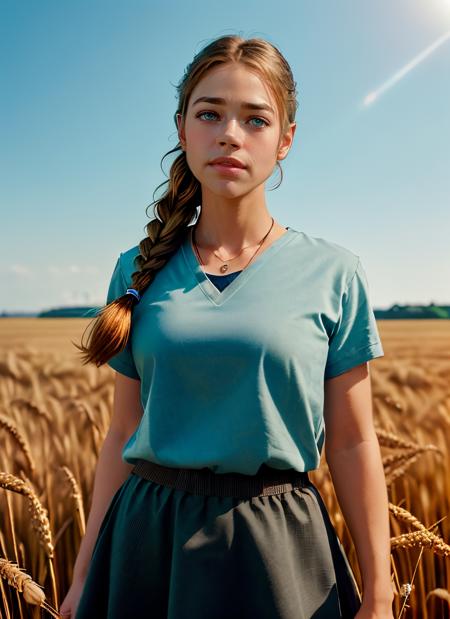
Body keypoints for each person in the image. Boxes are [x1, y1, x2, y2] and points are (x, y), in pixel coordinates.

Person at [60, 34, 394, 619]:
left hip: (278, 546)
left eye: (256, 119)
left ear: (285, 139)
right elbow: (122, 434)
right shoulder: (138, 270)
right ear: (183, 129)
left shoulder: (334, 272)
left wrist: (381, 591)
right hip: (145, 540)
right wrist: (86, 569)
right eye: (209, 113)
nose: (229, 135)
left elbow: (352, 440)